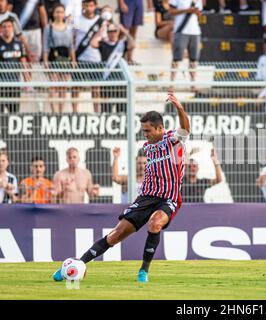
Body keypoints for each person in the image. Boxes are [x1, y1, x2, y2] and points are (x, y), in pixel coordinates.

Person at [52, 94, 190, 283]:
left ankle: (143, 271)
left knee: (155, 224)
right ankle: (77, 264)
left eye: (148, 130)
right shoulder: (148, 147)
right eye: (143, 130)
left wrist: (179, 108)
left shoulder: (172, 141)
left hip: (168, 198)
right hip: (145, 198)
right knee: (115, 235)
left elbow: (185, 129)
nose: (145, 134)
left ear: (160, 128)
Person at [91, 22, 134, 112]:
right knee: (106, 108)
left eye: (115, 31)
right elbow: (93, 43)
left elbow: (132, 45)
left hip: (121, 79)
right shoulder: (103, 44)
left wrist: (124, 31)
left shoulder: (122, 44)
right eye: (110, 31)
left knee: (122, 108)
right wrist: (101, 30)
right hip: (108, 80)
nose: (113, 33)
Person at [42, 3, 76, 113]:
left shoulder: (69, 27)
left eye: (61, 12)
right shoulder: (48, 27)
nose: (59, 14)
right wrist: (45, 60)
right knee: (53, 86)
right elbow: (45, 45)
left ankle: (61, 111)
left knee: (63, 87)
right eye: (57, 12)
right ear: (53, 13)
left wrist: (73, 60)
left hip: (65, 56)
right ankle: (54, 112)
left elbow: (71, 46)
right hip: (54, 55)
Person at [73, 0, 103, 113]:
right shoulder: (76, 19)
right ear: (82, 5)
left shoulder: (100, 21)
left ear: (95, 6)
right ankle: (74, 112)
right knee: (76, 87)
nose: (89, 8)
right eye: (86, 5)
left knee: (95, 88)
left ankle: (97, 112)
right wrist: (73, 57)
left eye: (91, 5)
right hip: (80, 57)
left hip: (95, 58)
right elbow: (72, 39)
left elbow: (103, 39)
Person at [169, 0, 202, 88]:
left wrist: (196, 12)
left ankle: (193, 84)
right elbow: (171, 12)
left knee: (193, 59)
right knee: (176, 58)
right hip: (181, 30)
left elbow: (199, 15)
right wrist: (187, 10)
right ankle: (171, 83)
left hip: (195, 31)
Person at [0, 17, 29, 113]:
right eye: (4, 27)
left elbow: (23, 61)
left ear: (12, 28)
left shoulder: (19, 44)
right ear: (1, 29)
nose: (7, 29)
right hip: (1, 84)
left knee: (14, 113)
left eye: (9, 26)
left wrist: (27, 79)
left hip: (14, 83)